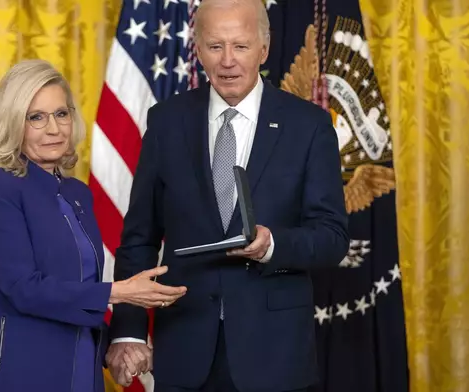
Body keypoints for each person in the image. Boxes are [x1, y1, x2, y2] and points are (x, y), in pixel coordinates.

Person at [105, 0, 350, 391]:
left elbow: (332, 237)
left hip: (274, 355)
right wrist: (129, 332)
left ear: (263, 49)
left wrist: (272, 244)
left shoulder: (309, 126)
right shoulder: (166, 121)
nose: (227, 61)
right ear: (198, 49)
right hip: (184, 346)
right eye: (215, 46)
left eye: (240, 46)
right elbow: (139, 238)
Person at [0, 59, 186, 392]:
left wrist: (113, 349)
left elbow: (75, 293)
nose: (54, 129)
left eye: (61, 114)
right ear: (12, 123)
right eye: (36, 117)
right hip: (18, 374)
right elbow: (25, 289)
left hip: (81, 368)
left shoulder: (76, 193)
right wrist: (120, 292)